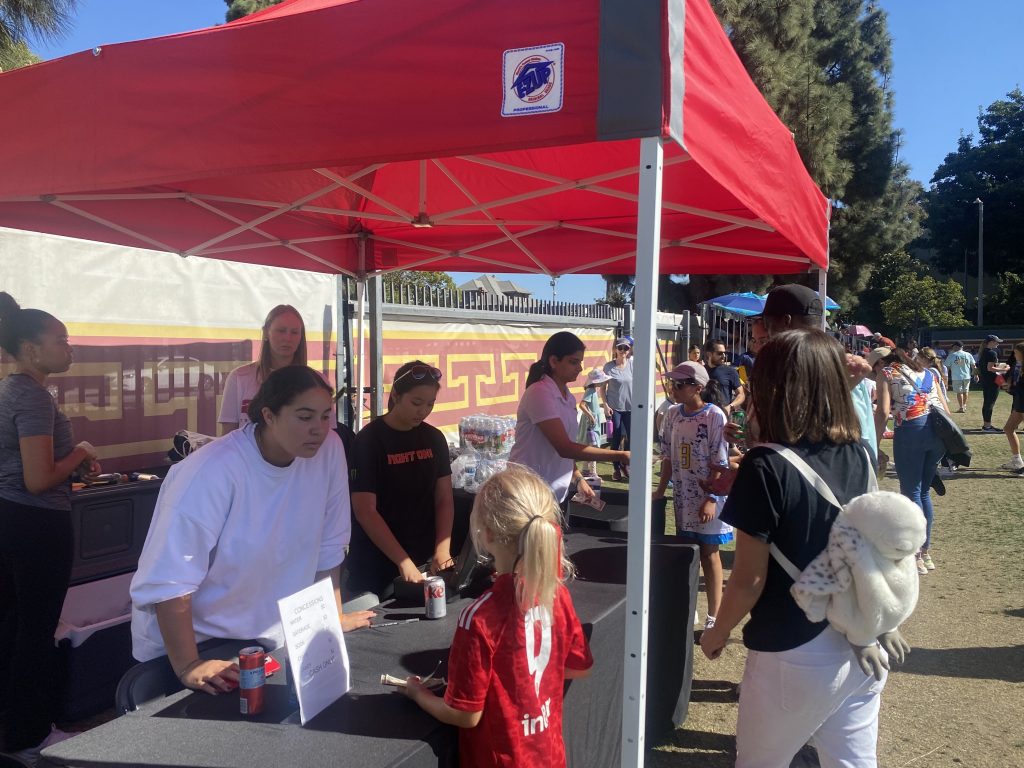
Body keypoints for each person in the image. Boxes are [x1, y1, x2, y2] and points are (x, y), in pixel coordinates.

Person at [700, 328, 886, 768]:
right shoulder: (860, 453)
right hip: (859, 638)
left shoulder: (765, 465)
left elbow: (748, 579)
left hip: (791, 646)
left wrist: (717, 631)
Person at [130, 366, 373, 688]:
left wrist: (329, 618)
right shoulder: (211, 471)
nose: (319, 428)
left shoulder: (329, 449)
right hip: (198, 645)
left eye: (325, 416)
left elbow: (330, 546)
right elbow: (169, 580)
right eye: (304, 417)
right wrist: (189, 664)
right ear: (269, 415)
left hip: (272, 637)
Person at [403, 465, 593, 767]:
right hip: (549, 755)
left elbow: (465, 713)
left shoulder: (480, 617)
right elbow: (578, 667)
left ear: (486, 534)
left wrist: (417, 693)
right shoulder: (557, 594)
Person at [0, 293, 101, 757]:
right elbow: (40, 479)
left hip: (13, 519)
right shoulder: (32, 396)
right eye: (60, 340)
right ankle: (31, 736)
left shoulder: (11, 391)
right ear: (30, 349)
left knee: (15, 627)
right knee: (35, 632)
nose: (69, 347)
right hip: (37, 524)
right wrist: (79, 452)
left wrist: (69, 464)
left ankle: (16, 730)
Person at [346, 360, 454, 596]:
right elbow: (365, 510)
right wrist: (402, 561)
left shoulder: (434, 438)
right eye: (416, 403)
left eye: (430, 404)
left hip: (423, 557)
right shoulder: (368, 441)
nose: (423, 411)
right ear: (395, 394)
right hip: (378, 562)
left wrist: (442, 549)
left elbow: (444, 498)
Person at [653, 362, 732, 630]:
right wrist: (661, 490)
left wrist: (711, 498)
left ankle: (714, 615)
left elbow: (720, 461)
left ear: (698, 387)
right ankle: (687, 609)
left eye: (679, 384)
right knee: (686, 553)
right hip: (683, 499)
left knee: (710, 553)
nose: (673, 389)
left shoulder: (714, 416)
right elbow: (667, 456)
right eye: (672, 384)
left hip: (708, 497)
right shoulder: (672, 414)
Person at [509, 332, 629, 507]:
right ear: (554, 361)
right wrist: (620, 455)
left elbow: (566, 448)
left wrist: (578, 478)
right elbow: (565, 448)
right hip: (528, 495)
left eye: (580, 362)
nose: (580, 368)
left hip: (553, 494)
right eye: (574, 362)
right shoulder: (540, 392)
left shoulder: (567, 397)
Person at [875, 338, 949, 575]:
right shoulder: (930, 373)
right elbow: (945, 409)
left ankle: (915, 553)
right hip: (937, 434)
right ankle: (925, 552)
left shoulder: (887, 373)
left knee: (911, 493)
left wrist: (875, 444)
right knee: (924, 491)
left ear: (883, 362)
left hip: (910, 431)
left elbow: (883, 411)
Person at [219, 305, 312, 432]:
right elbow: (228, 437)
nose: (288, 338)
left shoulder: (316, 382)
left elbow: (327, 435)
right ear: (266, 333)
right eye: (281, 330)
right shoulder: (239, 378)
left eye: (294, 332)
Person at [600, 336, 634, 481]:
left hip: (631, 408)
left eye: (625, 348)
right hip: (615, 408)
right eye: (620, 348)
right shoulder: (608, 367)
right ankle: (616, 468)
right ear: (615, 349)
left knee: (632, 438)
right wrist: (606, 405)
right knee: (617, 436)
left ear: (629, 350)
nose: (623, 351)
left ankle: (626, 464)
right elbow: (602, 388)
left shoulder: (633, 365)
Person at [578, 367, 609, 478]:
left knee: (589, 447)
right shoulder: (590, 391)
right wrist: (591, 415)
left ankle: (585, 470)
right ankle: (593, 472)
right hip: (590, 425)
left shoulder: (593, 391)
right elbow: (581, 405)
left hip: (593, 423)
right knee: (593, 448)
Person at [703, 339, 744, 416]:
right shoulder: (700, 371)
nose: (723, 356)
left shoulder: (730, 371)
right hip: (702, 416)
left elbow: (741, 394)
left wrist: (730, 407)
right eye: (720, 353)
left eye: (725, 353)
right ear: (709, 354)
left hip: (722, 417)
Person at [978, 334, 1010, 432]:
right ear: (991, 342)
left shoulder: (983, 352)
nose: (998, 344)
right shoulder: (992, 353)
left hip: (986, 381)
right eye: (996, 342)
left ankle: (986, 425)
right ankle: (987, 426)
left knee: (987, 403)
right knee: (989, 404)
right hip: (992, 381)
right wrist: (1005, 368)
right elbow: (990, 368)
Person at [999, 343, 1024, 471]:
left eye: (1016, 353)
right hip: (1019, 402)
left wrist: (1011, 388)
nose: (1014, 355)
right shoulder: (1017, 365)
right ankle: (1017, 460)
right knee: (1008, 428)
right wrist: (1006, 384)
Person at [945, 340, 977, 413]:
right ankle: (964, 405)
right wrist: (976, 374)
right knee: (965, 391)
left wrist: (945, 377)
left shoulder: (952, 355)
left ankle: (961, 407)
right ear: (962, 347)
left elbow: (947, 368)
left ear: (955, 347)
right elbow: (974, 366)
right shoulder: (968, 354)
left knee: (959, 392)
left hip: (956, 377)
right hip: (967, 376)